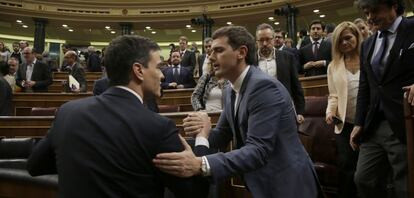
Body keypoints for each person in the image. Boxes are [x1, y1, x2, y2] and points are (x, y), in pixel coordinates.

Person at [27, 35, 209, 197]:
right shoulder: (158, 126)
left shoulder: (68, 111)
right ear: (138, 71)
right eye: (158, 67)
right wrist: (201, 140)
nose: (162, 75)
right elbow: (196, 192)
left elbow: (35, 165)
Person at [153, 26, 320, 198]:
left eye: (218, 50)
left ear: (241, 52)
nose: (210, 57)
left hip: (287, 184)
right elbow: (222, 134)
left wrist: (201, 163)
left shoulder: (263, 87)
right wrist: (189, 140)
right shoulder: (230, 89)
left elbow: (258, 150)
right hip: (262, 182)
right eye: (210, 51)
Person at [351, 0, 414, 197]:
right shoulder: (367, 44)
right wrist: (358, 122)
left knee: (405, 186)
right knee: (363, 179)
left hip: (405, 122)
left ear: (394, 5)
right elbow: (365, 86)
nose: (369, 17)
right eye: (366, 12)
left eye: (375, 11)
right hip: (374, 125)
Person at [325, 21, 363, 198]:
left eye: (348, 38)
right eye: (340, 41)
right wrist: (330, 112)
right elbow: (333, 95)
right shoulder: (333, 66)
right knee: (347, 169)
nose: (345, 43)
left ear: (357, 36)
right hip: (344, 125)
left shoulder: (369, 58)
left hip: (368, 124)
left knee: (366, 172)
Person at [255, 23, 305, 123]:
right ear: (257, 42)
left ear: (273, 39)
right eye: (261, 40)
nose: (264, 43)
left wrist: (300, 111)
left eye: (268, 39)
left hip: (284, 109)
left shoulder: (287, 57)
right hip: (259, 111)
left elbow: (296, 86)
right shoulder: (250, 61)